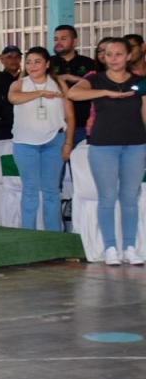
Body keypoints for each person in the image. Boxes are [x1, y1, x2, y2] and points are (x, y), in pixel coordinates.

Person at [67, 37, 146, 266]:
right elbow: (74, 94)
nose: (113, 58)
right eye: (108, 54)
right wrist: (105, 93)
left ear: (128, 56)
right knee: (107, 197)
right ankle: (110, 247)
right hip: (103, 146)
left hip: (135, 145)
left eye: (119, 54)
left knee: (130, 198)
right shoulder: (94, 79)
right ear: (103, 57)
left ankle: (130, 247)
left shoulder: (140, 82)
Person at [7, 46, 76, 232]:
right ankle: (28, 234)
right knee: (30, 190)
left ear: (47, 64)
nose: (32, 65)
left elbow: (70, 116)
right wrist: (40, 93)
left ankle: (54, 236)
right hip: (25, 144)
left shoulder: (59, 84)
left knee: (52, 191)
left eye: (37, 61)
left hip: (55, 141)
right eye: (28, 62)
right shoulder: (19, 84)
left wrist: (68, 143)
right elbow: (13, 98)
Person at [49, 25, 96, 144]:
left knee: (80, 162)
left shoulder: (89, 63)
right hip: (54, 126)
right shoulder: (47, 63)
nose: (58, 42)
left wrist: (73, 78)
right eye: (56, 39)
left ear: (74, 41)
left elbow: (97, 88)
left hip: (82, 125)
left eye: (63, 38)